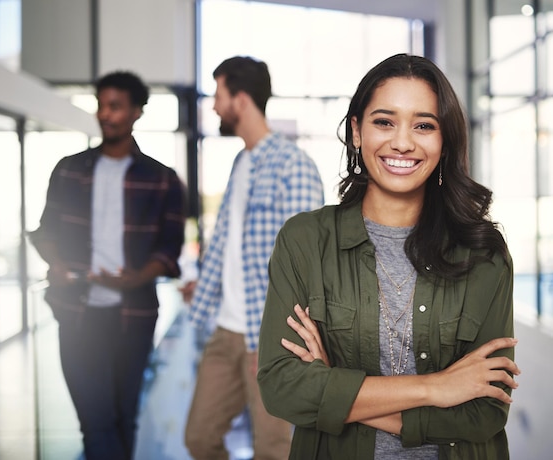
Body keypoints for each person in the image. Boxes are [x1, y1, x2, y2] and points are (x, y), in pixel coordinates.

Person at [257, 53, 520, 459]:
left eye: (423, 125)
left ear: (444, 141)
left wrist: (335, 387)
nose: (402, 141)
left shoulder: (485, 253)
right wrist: (438, 387)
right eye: (384, 121)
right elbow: (283, 389)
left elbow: (483, 412)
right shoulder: (305, 240)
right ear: (357, 131)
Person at [29, 71, 185, 460]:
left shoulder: (162, 179)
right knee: (95, 420)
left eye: (115, 106)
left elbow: (169, 251)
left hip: (133, 316)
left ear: (136, 112)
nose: (105, 115)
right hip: (77, 312)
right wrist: (58, 263)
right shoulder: (69, 170)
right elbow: (45, 232)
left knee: (123, 417)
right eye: (101, 105)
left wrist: (137, 277)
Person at [182, 56, 324, 459]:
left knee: (274, 449)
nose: (213, 106)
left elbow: (305, 264)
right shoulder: (241, 162)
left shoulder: (292, 165)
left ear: (240, 100)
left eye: (219, 95)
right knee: (199, 437)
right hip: (225, 330)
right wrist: (205, 287)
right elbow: (232, 245)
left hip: (269, 335)